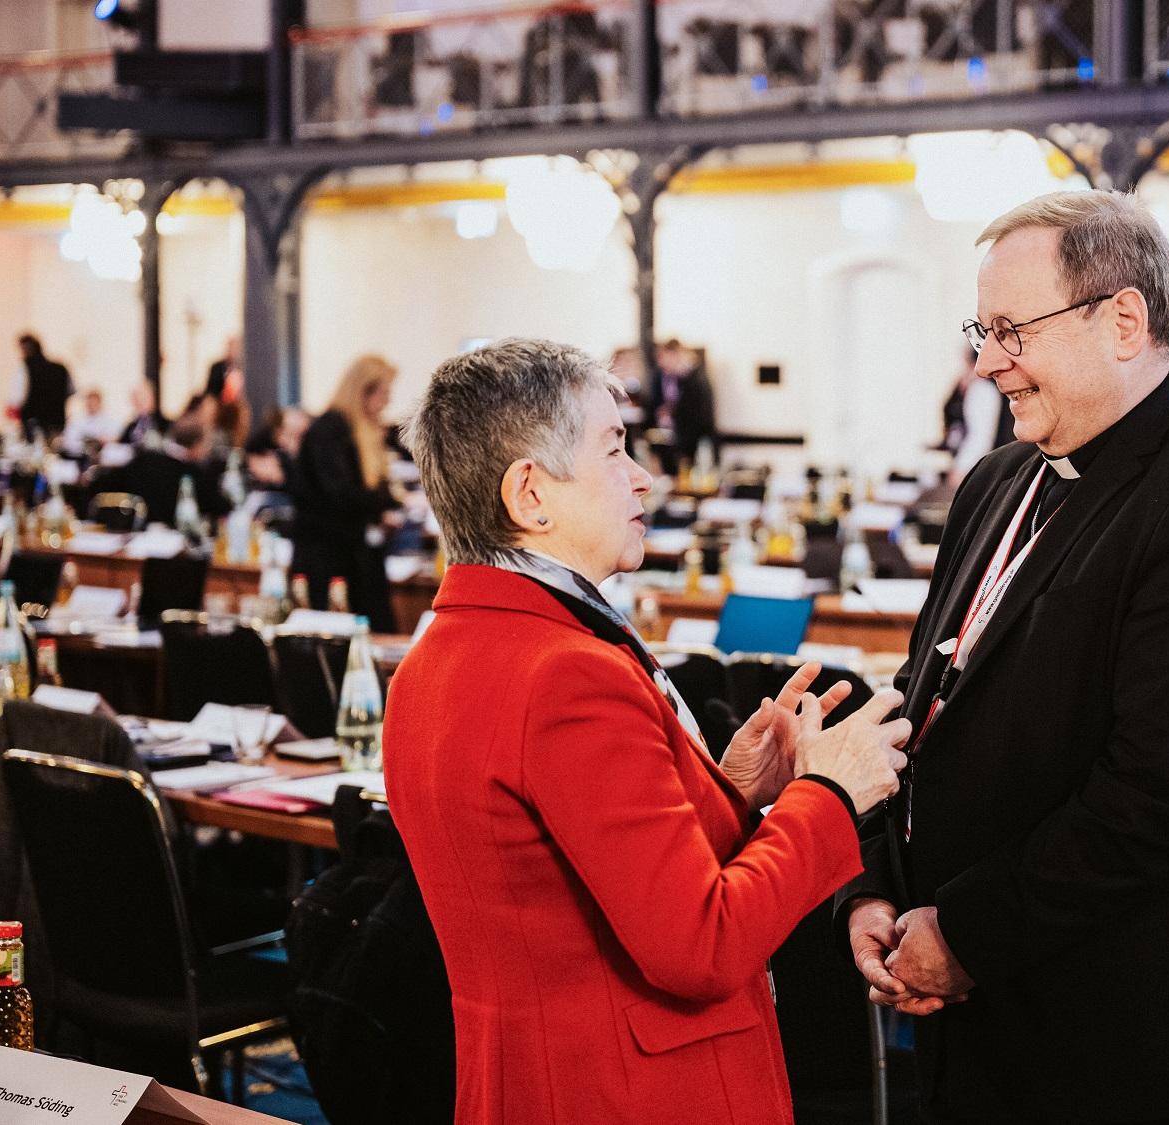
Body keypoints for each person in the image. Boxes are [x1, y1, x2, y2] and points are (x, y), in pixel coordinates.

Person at [845, 192, 1169, 1124]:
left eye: (1013, 330)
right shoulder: (999, 478)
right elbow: (925, 701)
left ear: (1124, 320)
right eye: (983, 330)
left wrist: (965, 933)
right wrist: (875, 889)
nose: (985, 362)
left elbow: (1163, 793)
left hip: (1125, 1024)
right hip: (975, 1007)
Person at [386, 337, 911, 1125]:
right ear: (531, 495)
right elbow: (701, 945)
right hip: (634, 1093)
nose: (643, 478)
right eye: (614, 450)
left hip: (528, 1083)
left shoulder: (436, 654)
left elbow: (577, 873)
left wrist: (725, 792)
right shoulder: (564, 671)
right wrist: (829, 794)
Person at [291, 356, 403, 632]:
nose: (387, 402)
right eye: (384, 393)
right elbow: (339, 494)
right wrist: (387, 503)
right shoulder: (330, 430)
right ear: (363, 391)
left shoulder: (358, 430)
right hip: (329, 558)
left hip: (354, 554)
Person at [97, 418, 229, 527]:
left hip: (136, 532)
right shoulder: (196, 475)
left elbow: (105, 483)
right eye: (206, 444)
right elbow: (222, 508)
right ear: (196, 445)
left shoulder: (143, 459)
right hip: (175, 545)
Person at [941, 347, 1017, 478]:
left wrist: (960, 469)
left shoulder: (982, 389)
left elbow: (980, 438)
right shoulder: (981, 386)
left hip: (989, 468)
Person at [643, 339, 716, 475]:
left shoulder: (695, 378)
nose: (661, 363)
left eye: (663, 357)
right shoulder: (662, 378)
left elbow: (701, 416)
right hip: (668, 441)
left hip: (692, 442)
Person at [15, 333, 74, 440]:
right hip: (57, 423)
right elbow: (70, 392)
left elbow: (16, 399)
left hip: (33, 425)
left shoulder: (26, 369)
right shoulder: (60, 369)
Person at [121, 381, 168, 446]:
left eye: (142, 397)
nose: (139, 402)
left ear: (152, 398)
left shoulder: (163, 423)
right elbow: (122, 443)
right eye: (135, 398)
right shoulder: (132, 425)